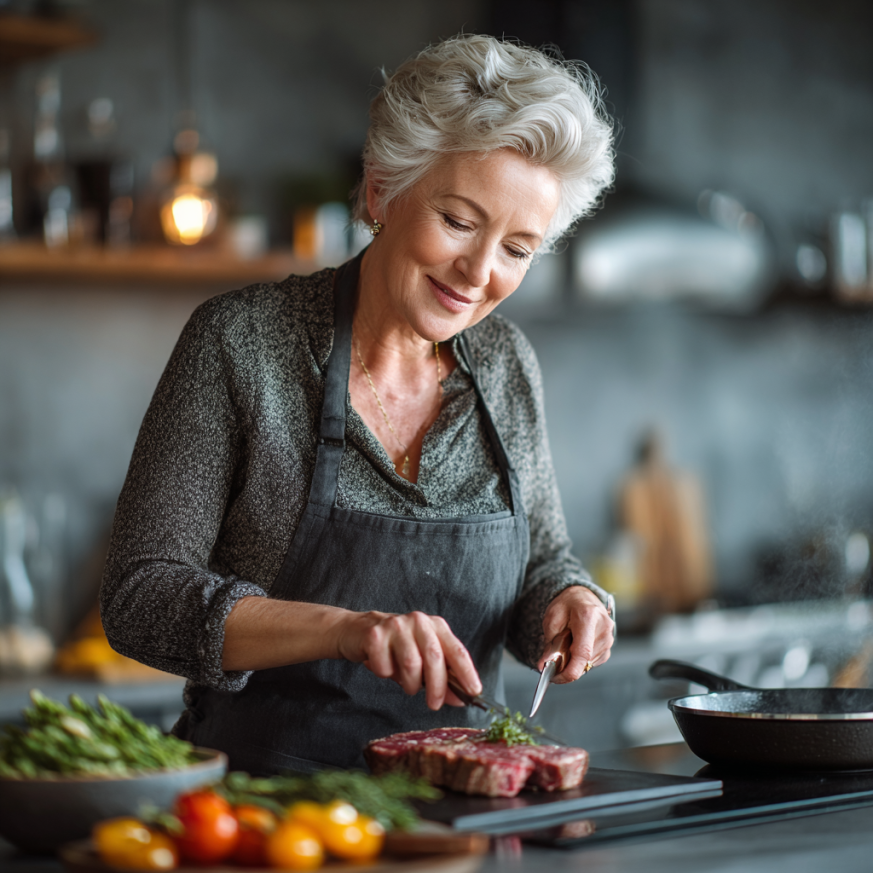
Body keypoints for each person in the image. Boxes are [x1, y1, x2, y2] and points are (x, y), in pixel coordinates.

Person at [101, 34, 616, 775]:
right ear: (381, 190)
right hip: (267, 818)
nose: (478, 272)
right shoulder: (243, 344)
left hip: (460, 819)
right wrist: (345, 630)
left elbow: (544, 564)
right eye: (459, 221)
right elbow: (141, 594)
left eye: (517, 247)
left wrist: (571, 602)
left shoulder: (504, 364)